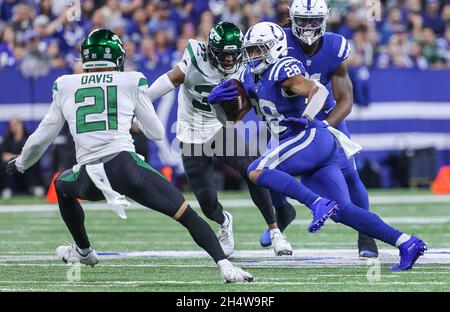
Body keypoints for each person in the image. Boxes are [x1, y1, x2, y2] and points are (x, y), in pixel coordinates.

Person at [5, 28, 253, 283]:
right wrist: (133, 121)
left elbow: (41, 137)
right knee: (186, 214)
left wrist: (21, 162)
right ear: (117, 57)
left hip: (88, 176)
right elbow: (156, 132)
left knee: (61, 185)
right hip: (126, 169)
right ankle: (225, 266)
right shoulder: (131, 80)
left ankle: (85, 251)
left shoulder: (64, 84)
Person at [208, 21, 427, 271]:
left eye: (258, 50)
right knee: (343, 211)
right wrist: (216, 104)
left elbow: (319, 90)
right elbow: (230, 122)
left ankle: (314, 204)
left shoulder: (282, 67)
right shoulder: (250, 76)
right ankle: (406, 242)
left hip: (310, 137)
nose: (251, 56)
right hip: (306, 147)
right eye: (249, 50)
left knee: (257, 170)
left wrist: (307, 117)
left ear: (274, 48)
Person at [146, 22, 293, 256]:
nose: (229, 59)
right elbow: (171, 79)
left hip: (219, 127)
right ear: (212, 50)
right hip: (191, 131)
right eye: (224, 54)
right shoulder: (196, 55)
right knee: (207, 202)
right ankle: (224, 222)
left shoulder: (246, 63)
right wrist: (142, 101)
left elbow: (237, 114)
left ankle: (275, 231)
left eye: (233, 54)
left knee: (251, 168)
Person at [259, 0, 378, 258]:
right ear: (292, 19)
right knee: (266, 173)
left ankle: (366, 235)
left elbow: (346, 98)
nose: (309, 27)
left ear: (325, 20)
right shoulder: (278, 40)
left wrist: (323, 125)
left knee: (349, 174)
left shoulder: (335, 46)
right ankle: (282, 214)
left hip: (323, 115)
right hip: (286, 120)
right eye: (303, 20)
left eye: (314, 21)